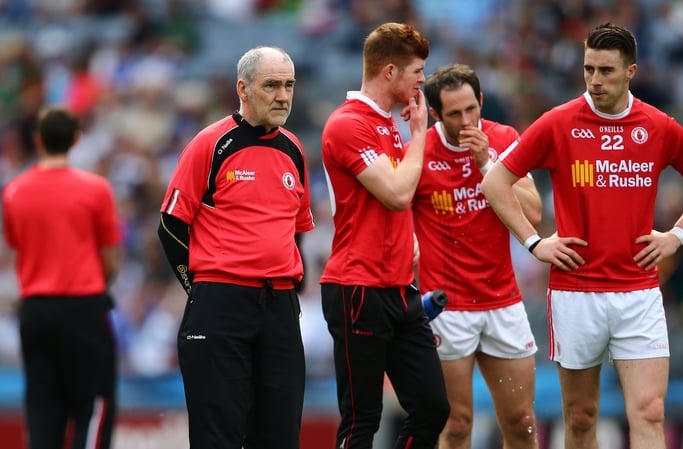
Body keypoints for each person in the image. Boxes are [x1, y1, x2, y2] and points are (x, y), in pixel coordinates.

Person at [481, 23, 683, 449]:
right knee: (580, 417)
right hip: (576, 292)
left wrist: (677, 235)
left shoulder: (657, 125)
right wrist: (535, 242)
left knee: (650, 411)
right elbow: (496, 182)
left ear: (631, 71)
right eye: (588, 69)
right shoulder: (558, 123)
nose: (594, 80)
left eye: (606, 71)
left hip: (639, 291)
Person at [157, 46, 313, 449]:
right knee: (218, 439)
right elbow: (170, 226)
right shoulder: (211, 144)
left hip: (278, 306)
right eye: (272, 85)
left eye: (289, 85)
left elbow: (296, 231)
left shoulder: (294, 149)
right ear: (243, 88)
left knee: (280, 437)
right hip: (220, 305)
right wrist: (201, 291)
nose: (283, 96)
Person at [320, 22, 450, 449]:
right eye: (418, 71)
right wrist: (418, 137)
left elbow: (391, 201)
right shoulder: (347, 124)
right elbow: (397, 194)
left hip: (399, 288)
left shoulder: (388, 124)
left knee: (432, 408)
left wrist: (405, 239)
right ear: (390, 71)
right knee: (362, 421)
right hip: (357, 288)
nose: (423, 81)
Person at [413, 63, 542, 449]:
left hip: (502, 300)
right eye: (454, 113)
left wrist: (488, 164)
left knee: (522, 423)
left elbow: (532, 213)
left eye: (472, 109)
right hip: (447, 308)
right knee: (456, 424)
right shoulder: (419, 153)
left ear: (481, 100)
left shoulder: (503, 138)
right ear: (435, 114)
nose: (467, 120)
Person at [2, 105, 121, 449]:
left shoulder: (14, 191)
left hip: (35, 311)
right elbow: (110, 259)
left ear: (38, 140)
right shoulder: (95, 189)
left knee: (43, 407)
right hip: (82, 307)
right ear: (75, 139)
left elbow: (17, 246)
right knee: (95, 403)